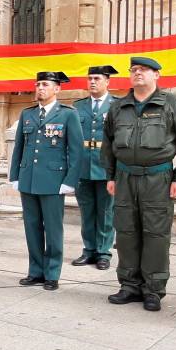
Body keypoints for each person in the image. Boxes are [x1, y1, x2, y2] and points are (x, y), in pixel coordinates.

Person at [102, 57, 176, 312]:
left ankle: (153, 289)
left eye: (143, 70)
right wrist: (110, 175)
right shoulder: (119, 107)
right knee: (126, 233)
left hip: (158, 179)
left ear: (157, 75)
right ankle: (129, 285)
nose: (137, 74)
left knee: (156, 235)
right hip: (124, 178)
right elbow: (108, 143)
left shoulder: (171, 104)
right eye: (133, 70)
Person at [10, 71, 83, 291]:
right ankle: (35, 271)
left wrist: (69, 180)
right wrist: (15, 175)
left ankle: (52, 273)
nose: (40, 88)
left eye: (45, 84)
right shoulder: (27, 114)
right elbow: (19, 148)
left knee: (52, 229)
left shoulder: (68, 114)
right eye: (38, 84)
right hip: (29, 179)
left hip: (53, 180)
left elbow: (77, 151)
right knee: (31, 227)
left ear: (57, 89)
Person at [71, 65, 118, 271]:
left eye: (97, 78)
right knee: (87, 211)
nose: (92, 82)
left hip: (105, 167)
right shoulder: (78, 106)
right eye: (89, 78)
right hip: (83, 166)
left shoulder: (117, 105)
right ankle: (89, 250)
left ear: (107, 82)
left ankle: (104, 252)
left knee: (106, 212)